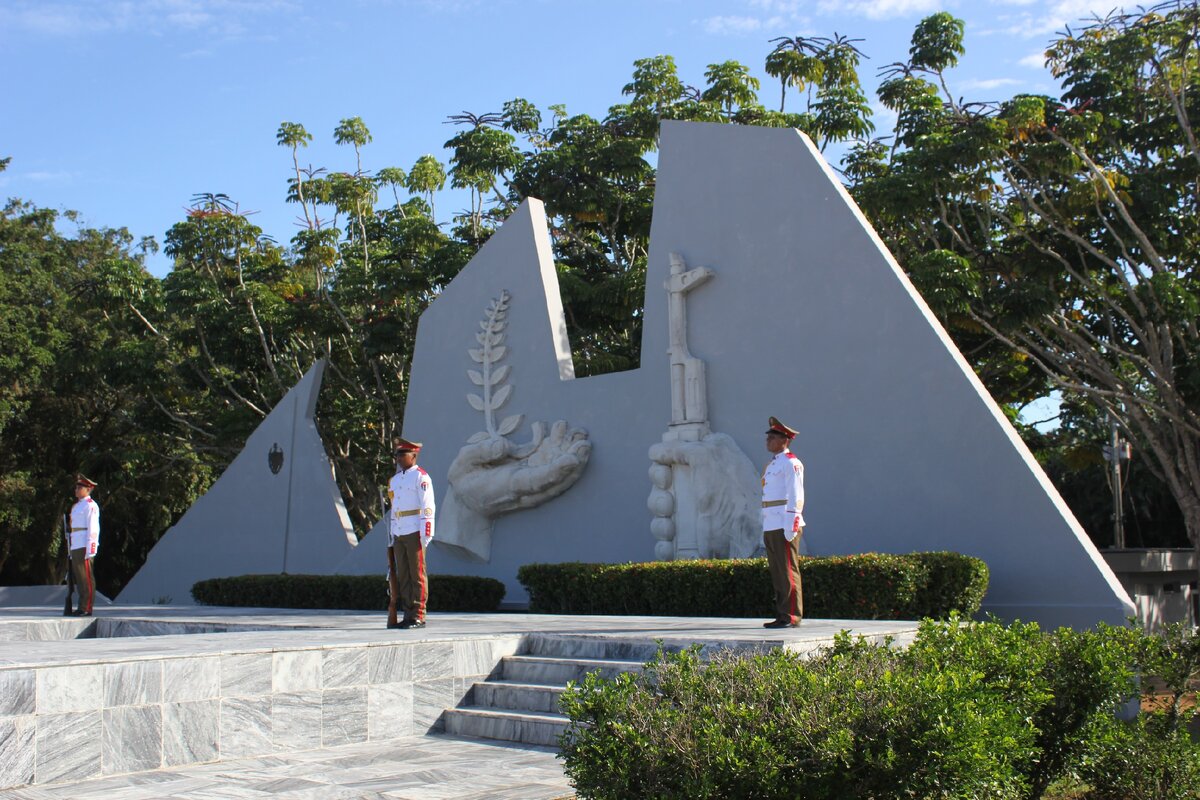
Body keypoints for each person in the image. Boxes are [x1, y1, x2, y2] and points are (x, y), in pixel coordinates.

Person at [386, 438, 435, 629]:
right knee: (403, 574)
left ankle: (418, 615)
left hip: (415, 529)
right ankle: (407, 614)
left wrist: (426, 532)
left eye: (402, 454)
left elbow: (428, 506)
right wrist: (392, 532)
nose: (398, 458)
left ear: (413, 456)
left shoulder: (421, 477)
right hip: (399, 530)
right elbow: (394, 507)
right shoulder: (395, 480)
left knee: (417, 574)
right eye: (397, 454)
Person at [761, 417, 804, 628]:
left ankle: (792, 615)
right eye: (768, 437)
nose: (768, 440)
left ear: (784, 440)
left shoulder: (791, 463)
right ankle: (782, 613)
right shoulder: (773, 464)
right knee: (778, 571)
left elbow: (796, 494)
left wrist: (792, 523)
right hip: (771, 522)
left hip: (784, 522)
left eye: (772, 437)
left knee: (788, 569)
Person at [68, 474, 100, 616]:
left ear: (88, 489)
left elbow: (93, 528)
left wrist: (91, 547)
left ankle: (86, 607)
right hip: (76, 544)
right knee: (79, 577)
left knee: (86, 577)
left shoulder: (90, 505)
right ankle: (82, 606)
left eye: (79, 487)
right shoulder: (77, 506)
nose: (76, 489)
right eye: (76, 487)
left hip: (84, 544)